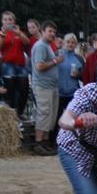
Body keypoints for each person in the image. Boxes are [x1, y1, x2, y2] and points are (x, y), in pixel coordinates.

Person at [30, 20, 62, 156]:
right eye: (50, 31)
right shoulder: (40, 46)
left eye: (54, 31)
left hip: (52, 86)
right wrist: (55, 61)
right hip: (43, 86)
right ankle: (39, 143)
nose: (52, 34)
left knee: (51, 115)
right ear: (42, 31)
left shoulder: (48, 45)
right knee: (44, 114)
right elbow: (39, 66)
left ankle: (45, 142)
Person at [0, 11, 31, 118]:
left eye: (10, 19)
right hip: (8, 64)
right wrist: (3, 34)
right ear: (2, 21)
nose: (8, 21)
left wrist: (19, 33)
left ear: (14, 21)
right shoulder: (1, 33)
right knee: (10, 91)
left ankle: (19, 112)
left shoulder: (18, 32)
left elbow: (27, 42)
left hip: (21, 64)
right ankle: (11, 115)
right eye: (5, 19)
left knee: (24, 90)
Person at [57, 33, 84, 124]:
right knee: (57, 120)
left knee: (73, 120)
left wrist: (78, 75)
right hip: (59, 93)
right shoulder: (58, 56)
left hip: (73, 93)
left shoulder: (79, 58)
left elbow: (85, 76)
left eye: (73, 42)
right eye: (68, 42)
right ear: (64, 43)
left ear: (76, 44)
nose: (70, 44)